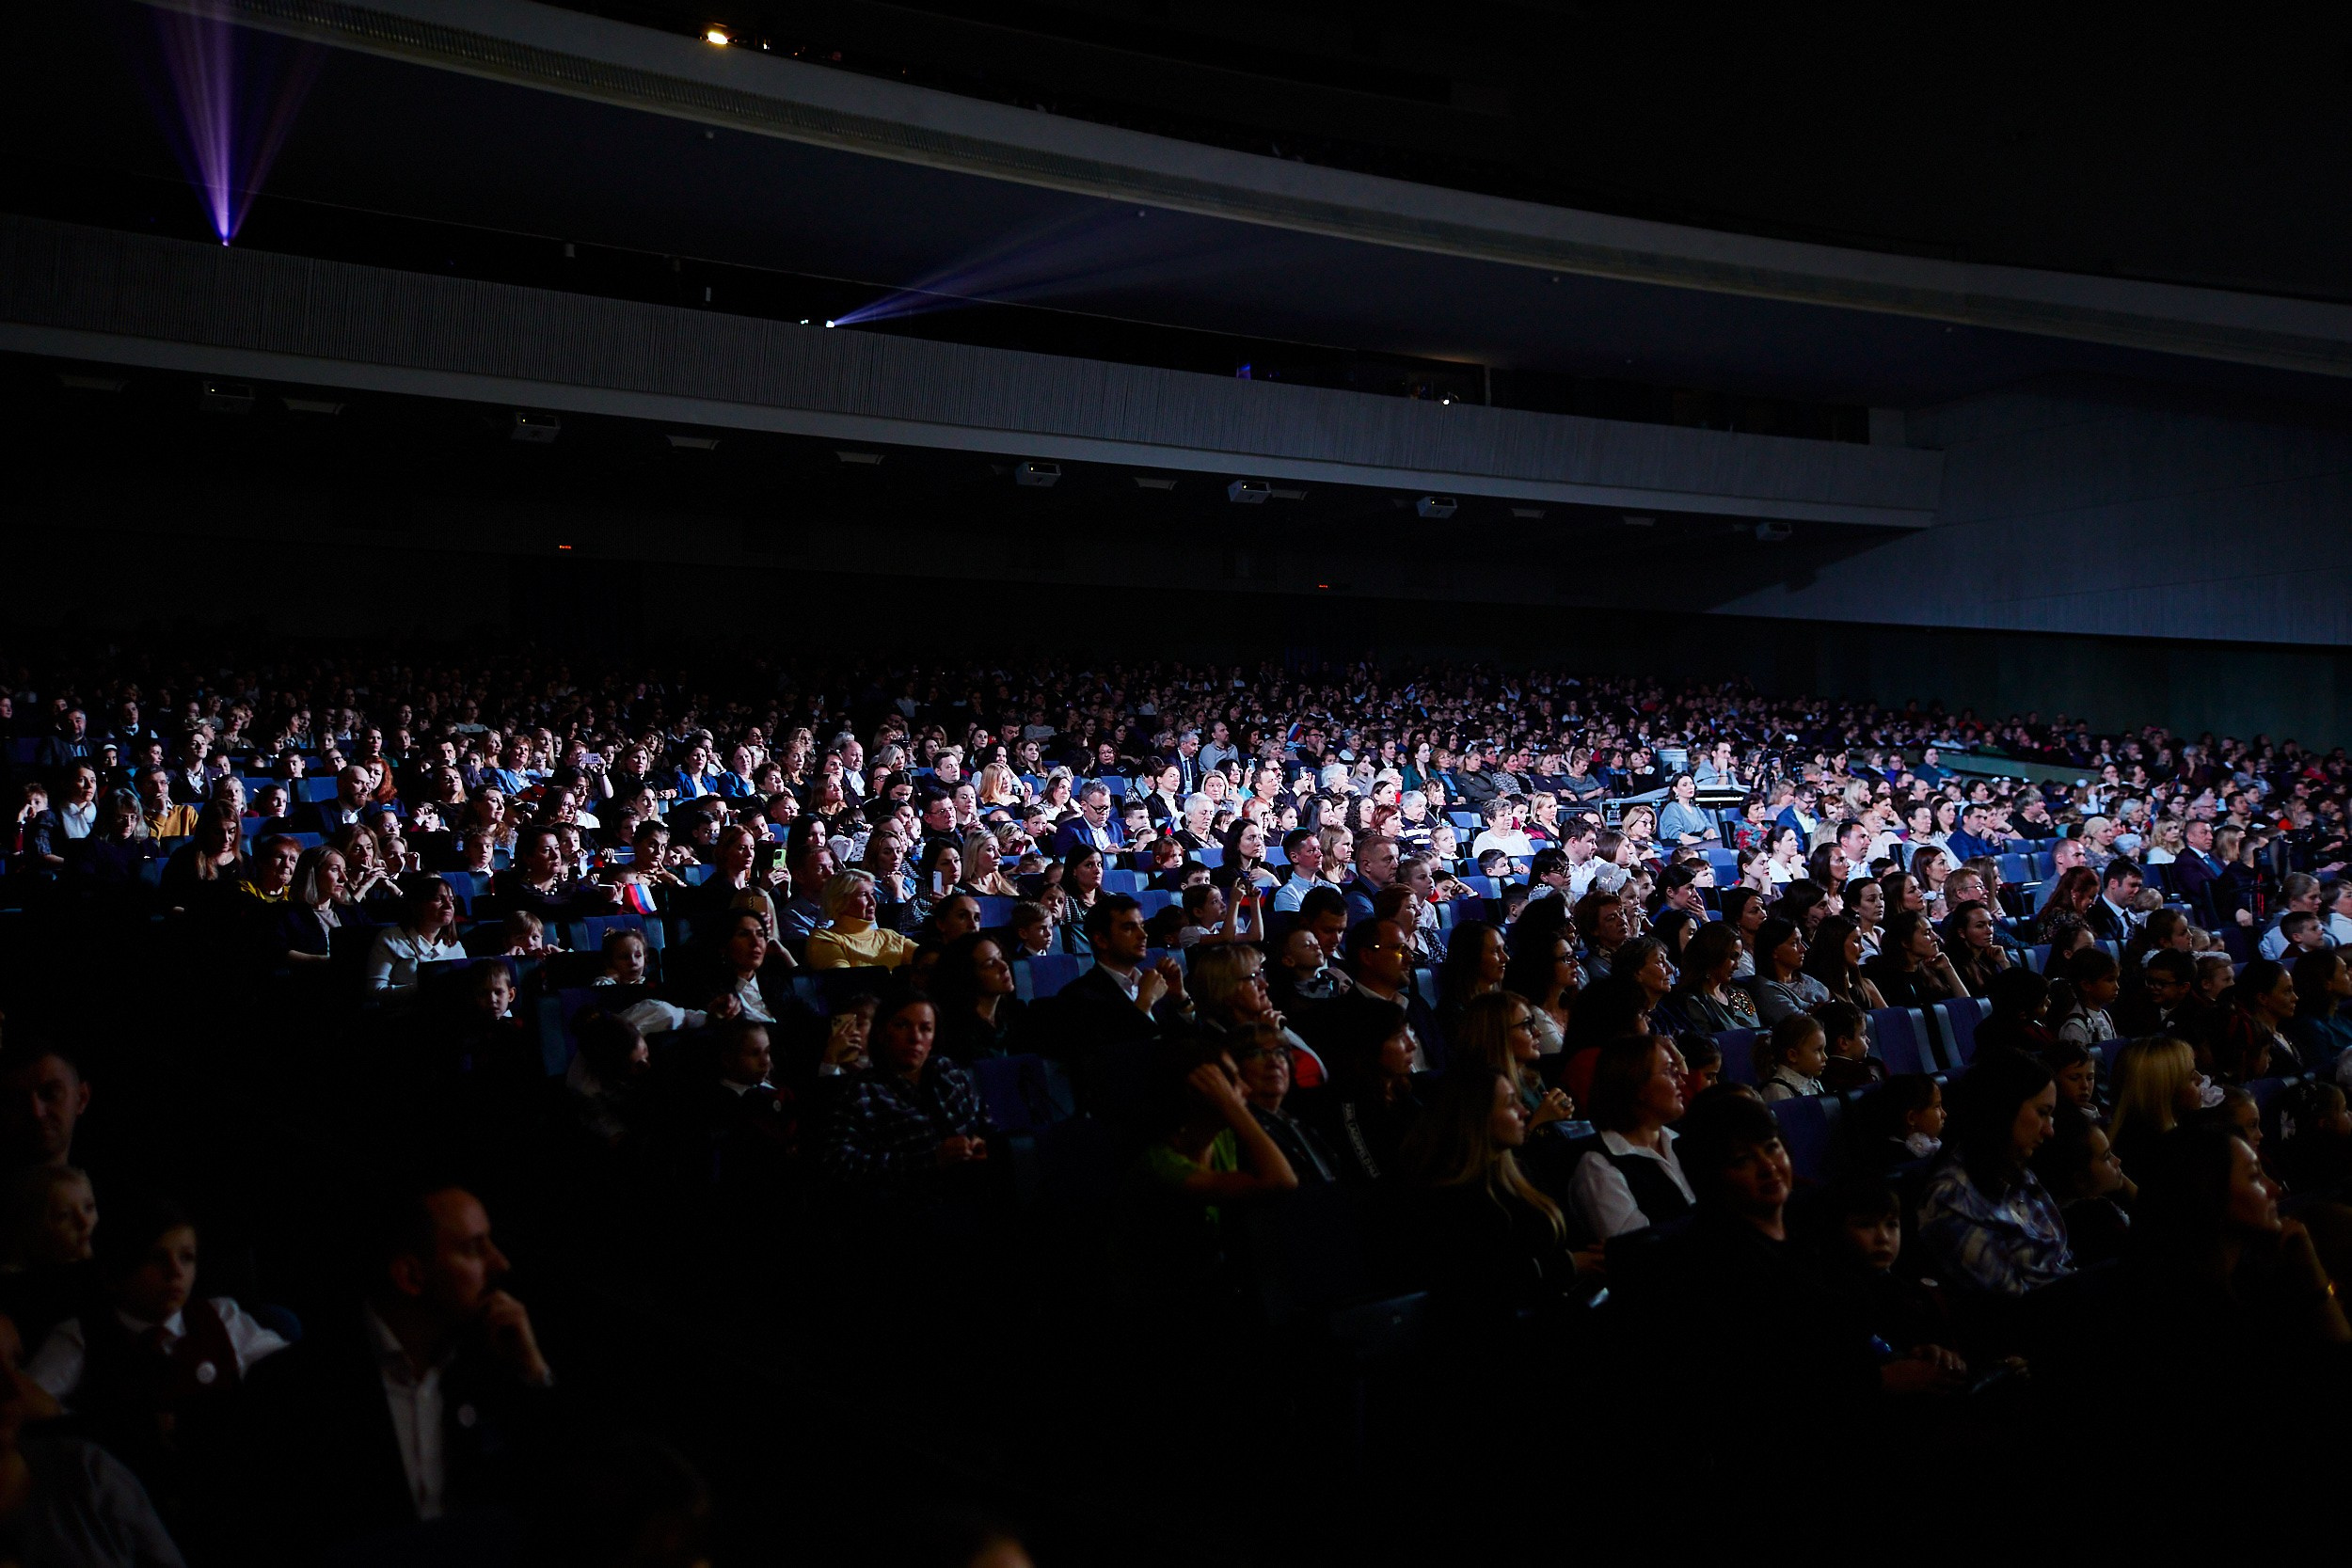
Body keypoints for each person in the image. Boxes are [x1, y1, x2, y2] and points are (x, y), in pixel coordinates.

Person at [238, 1181, 557, 1557]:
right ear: (410, 1276)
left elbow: (549, 1507)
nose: (501, 1263)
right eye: (475, 1248)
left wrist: (533, 1372)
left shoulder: (491, 1366)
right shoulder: (297, 1389)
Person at [1402, 1065, 1593, 1345]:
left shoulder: (1521, 1173)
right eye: (1510, 1103)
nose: (1525, 1112)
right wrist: (1568, 1265)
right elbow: (1480, 1287)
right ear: (1475, 1118)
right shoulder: (1445, 1201)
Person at [1915, 1052, 2074, 1308]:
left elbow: (2060, 1259)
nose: (2049, 1130)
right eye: (2042, 1113)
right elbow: (2012, 1303)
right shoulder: (1951, 1198)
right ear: (2004, 1108)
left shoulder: (2016, 1172)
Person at [819, 990, 993, 1190]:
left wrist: (984, 1144)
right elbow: (838, 1162)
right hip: (910, 1203)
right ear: (882, 1033)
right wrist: (929, 1160)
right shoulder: (861, 1092)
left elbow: (986, 1124)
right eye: (902, 1026)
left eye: (926, 1028)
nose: (915, 1038)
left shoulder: (949, 1071)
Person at [1565, 1034, 1691, 1242]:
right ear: (1637, 1085)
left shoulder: (1680, 1142)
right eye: (1669, 1072)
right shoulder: (1598, 1166)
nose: (1681, 1081)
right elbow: (1636, 1252)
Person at [1230, 1024, 1340, 1185]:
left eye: (1280, 1053)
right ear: (1234, 1067)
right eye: (1257, 1054)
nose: (1274, 1061)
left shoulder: (1298, 1120)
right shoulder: (1236, 1130)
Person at [2032, 1111, 2133, 1267]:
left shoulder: (2065, 1212)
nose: (2117, 1161)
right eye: (2107, 1157)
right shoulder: (2094, 1218)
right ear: (2080, 1179)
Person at [360, 876, 465, 1001]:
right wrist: (426, 988)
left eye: (452, 900)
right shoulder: (391, 939)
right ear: (418, 905)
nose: (449, 906)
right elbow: (375, 991)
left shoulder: (455, 946)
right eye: (438, 899)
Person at [804, 870, 918, 971]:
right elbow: (844, 979)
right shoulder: (824, 939)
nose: (872, 901)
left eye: (872, 894)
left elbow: (927, 958)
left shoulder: (889, 936)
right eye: (864, 895)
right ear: (840, 901)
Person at [1663, 923, 1759, 1035]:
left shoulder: (1740, 995)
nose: (1737, 966)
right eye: (1732, 957)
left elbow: (1759, 1030)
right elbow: (1709, 1044)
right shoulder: (1694, 1001)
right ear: (1713, 954)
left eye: (1739, 957)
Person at [1863, 909, 1966, 1008]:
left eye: (1933, 931)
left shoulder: (1932, 970)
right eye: (1927, 933)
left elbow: (1968, 1008)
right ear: (1905, 942)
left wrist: (1948, 969)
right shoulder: (1882, 978)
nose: (1935, 937)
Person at [1744, 917, 1830, 1025]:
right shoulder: (1766, 989)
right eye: (1794, 943)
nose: (1803, 949)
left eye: (1801, 941)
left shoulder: (1804, 979)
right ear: (1774, 951)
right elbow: (1803, 1025)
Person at [2288, 947, 2352, 1078]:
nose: (2351, 975)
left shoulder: (2340, 1017)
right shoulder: (2310, 1026)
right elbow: (2323, 1073)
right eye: (2345, 972)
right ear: (2327, 983)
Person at [2052, 947, 2121, 1050]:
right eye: (2110, 980)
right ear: (2086, 985)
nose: (2117, 987)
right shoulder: (2075, 1026)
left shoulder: (2104, 1015)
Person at [1755, 1014, 1829, 1102]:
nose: (1825, 1057)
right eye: (1817, 1050)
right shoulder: (1778, 1090)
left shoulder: (1814, 1084)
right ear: (1793, 1055)